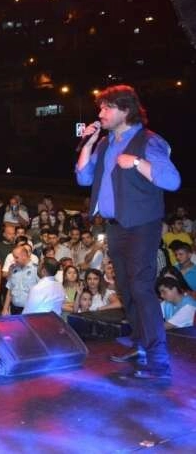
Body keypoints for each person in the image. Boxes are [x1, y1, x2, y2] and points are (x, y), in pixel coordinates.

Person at [77, 84, 181, 381]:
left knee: (141, 288)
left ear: (125, 110)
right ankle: (141, 345)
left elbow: (172, 180)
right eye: (100, 107)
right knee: (125, 288)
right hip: (116, 227)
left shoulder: (149, 141)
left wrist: (136, 162)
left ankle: (158, 360)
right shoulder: (104, 143)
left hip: (142, 225)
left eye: (106, 107)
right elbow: (83, 178)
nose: (100, 112)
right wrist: (88, 143)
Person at [3, 245, 38, 315]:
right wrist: (5, 308)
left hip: (30, 309)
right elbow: (10, 290)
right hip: (14, 309)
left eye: (16, 257)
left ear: (24, 256)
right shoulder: (14, 269)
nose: (14, 260)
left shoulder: (36, 270)